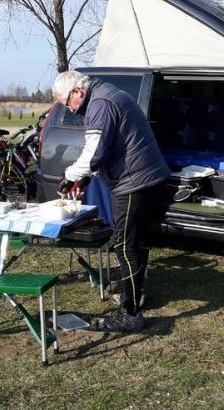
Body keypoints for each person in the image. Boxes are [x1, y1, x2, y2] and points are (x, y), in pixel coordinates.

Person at [53, 70, 170, 332]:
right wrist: (84, 180)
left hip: (134, 181)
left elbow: (95, 151)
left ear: (77, 92)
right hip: (144, 177)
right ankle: (135, 295)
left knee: (124, 244)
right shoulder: (104, 94)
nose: (70, 110)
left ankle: (130, 313)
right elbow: (109, 146)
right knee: (135, 243)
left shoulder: (100, 103)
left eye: (67, 103)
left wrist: (69, 175)